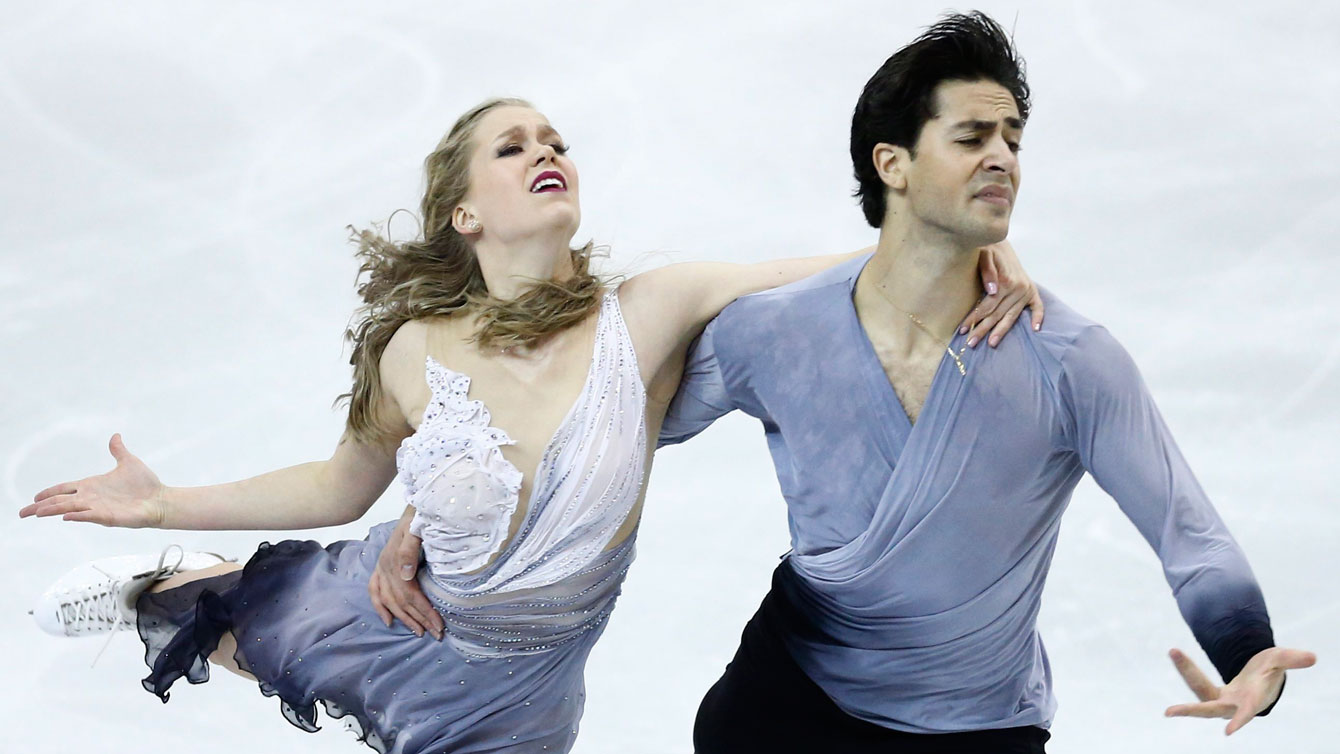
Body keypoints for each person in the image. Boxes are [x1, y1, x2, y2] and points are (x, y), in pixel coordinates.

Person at [20, 97, 1042, 754]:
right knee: (245, 632)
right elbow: (341, 486)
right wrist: (160, 500)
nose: (543, 151)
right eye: (511, 147)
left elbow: (848, 271)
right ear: (465, 213)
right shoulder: (412, 349)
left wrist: (965, 255)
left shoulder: (648, 313)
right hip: (397, 611)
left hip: (520, 692)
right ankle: (164, 579)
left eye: (554, 140)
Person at [654, 12, 1318, 754]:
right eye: (972, 138)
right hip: (786, 701)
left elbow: (1188, 534)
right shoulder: (775, 332)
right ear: (892, 164)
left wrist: (1249, 654)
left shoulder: (1069, 361)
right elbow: (629, 425)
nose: (1003, 157)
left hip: (975, 728)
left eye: (1012, 140)